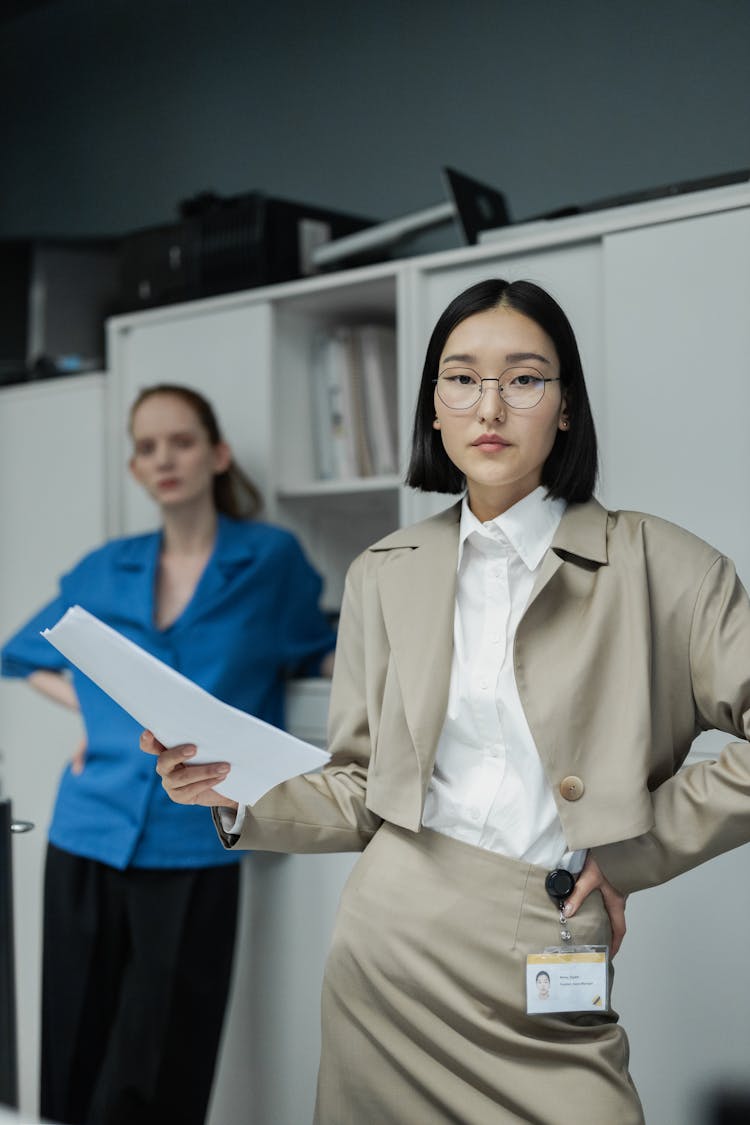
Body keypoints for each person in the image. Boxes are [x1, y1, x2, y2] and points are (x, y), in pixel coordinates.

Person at [143, 281, 750, 1124]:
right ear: (433, 407)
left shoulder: (664, 565)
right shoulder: (383, 570)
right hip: (387, 949)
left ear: (566, 406)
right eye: (461, 379)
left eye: (525, 379)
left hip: (550, 942)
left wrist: (638, 847)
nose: (490, 405)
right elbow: (362, 786)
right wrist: (231, 787)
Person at [1, 384, 335, 1125]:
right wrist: (89, 713)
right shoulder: (104, 567)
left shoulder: (269, 560)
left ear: (216, 454)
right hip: (86, 829)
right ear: (135, 468)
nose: (165, 459)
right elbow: (20, 657)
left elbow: (317, 651)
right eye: (148, 447)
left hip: (195, 841)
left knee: (161, 1068)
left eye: (180, 441)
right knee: (71, 1054)